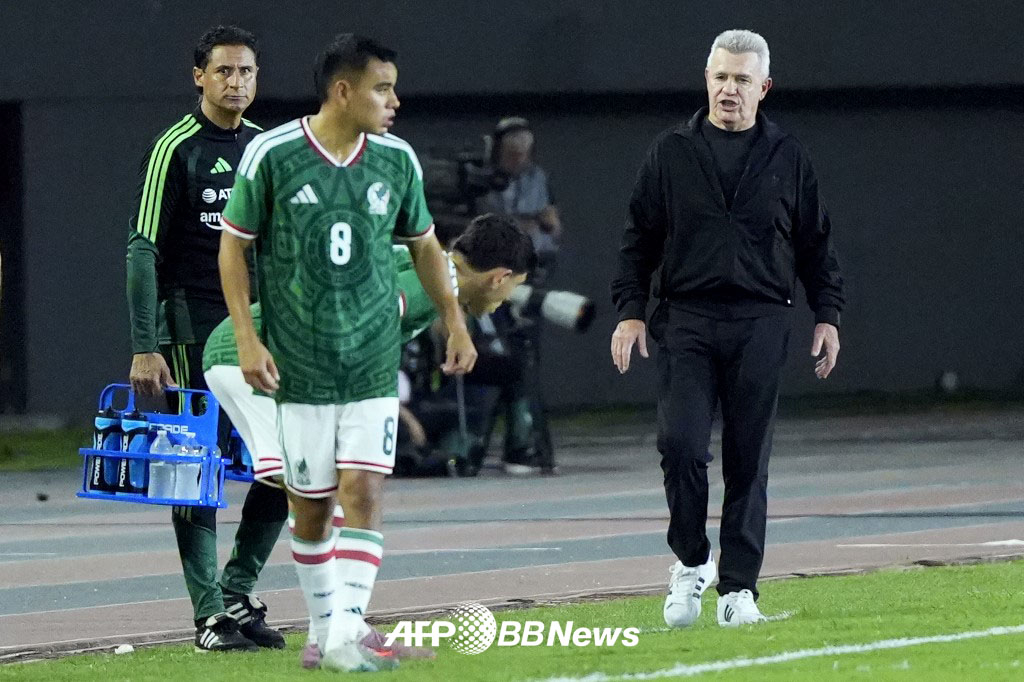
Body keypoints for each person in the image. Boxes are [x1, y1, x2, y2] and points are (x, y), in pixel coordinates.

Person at [217, 34, 476, 673]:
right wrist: (247, 339)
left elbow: (423, 245)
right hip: (297, 367)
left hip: (367, 363)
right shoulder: (271, 154)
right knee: (309, 508)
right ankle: (326, 629)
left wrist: (454, 321)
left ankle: (342, 636)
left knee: (363, 492)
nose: (394, 100)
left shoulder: (397, 160)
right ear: (343, 90)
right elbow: (233, 248)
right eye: (382, 88)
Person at [203, 213, 534, 667]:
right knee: (328, 499)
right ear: (500, 277)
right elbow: (367, 319)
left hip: (257, 356)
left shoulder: (424, 262)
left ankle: (335, 631)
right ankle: (340, 634)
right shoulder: (433, 281)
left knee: (319, 498)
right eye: (513, 286)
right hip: (266, 360)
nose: (507, 297)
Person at [610, 29, 844, 628]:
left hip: (763, 319)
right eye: (719, 77)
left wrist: (828, 315)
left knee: (748, 459)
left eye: (741, 79)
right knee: (680, 445)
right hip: (686, 318)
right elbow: (638, 239)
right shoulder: (671, 152)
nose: (728, 89)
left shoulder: (788, 156)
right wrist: (630, 311)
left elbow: (817, 243)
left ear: (763, 88)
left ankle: (739, 588)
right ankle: (690, 561)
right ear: (706, 80)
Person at [124, 26, 287, 652]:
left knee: (289, 460)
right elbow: (142, 250)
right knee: (198, 471)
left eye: (247, 71)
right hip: (196, 331)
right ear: (200, 76)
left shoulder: (265, 149)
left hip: (263, 330)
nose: (237, 82)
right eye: (224, 72)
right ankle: (208, 615)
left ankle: (239, 592)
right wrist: (147, 343)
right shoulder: (175, 149)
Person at [476, 117, 561, 473]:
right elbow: (490, 228)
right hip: (490, 281)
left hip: (531, 275)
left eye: (523, 154)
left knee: (526, 362)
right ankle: (495, 443)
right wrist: (529, 221)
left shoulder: (537, 178)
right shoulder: (482, 181)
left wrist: (528, 224)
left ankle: (523, 443)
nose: (518, 161)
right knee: (501, 358)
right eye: (512, 155)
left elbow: (552, 226)